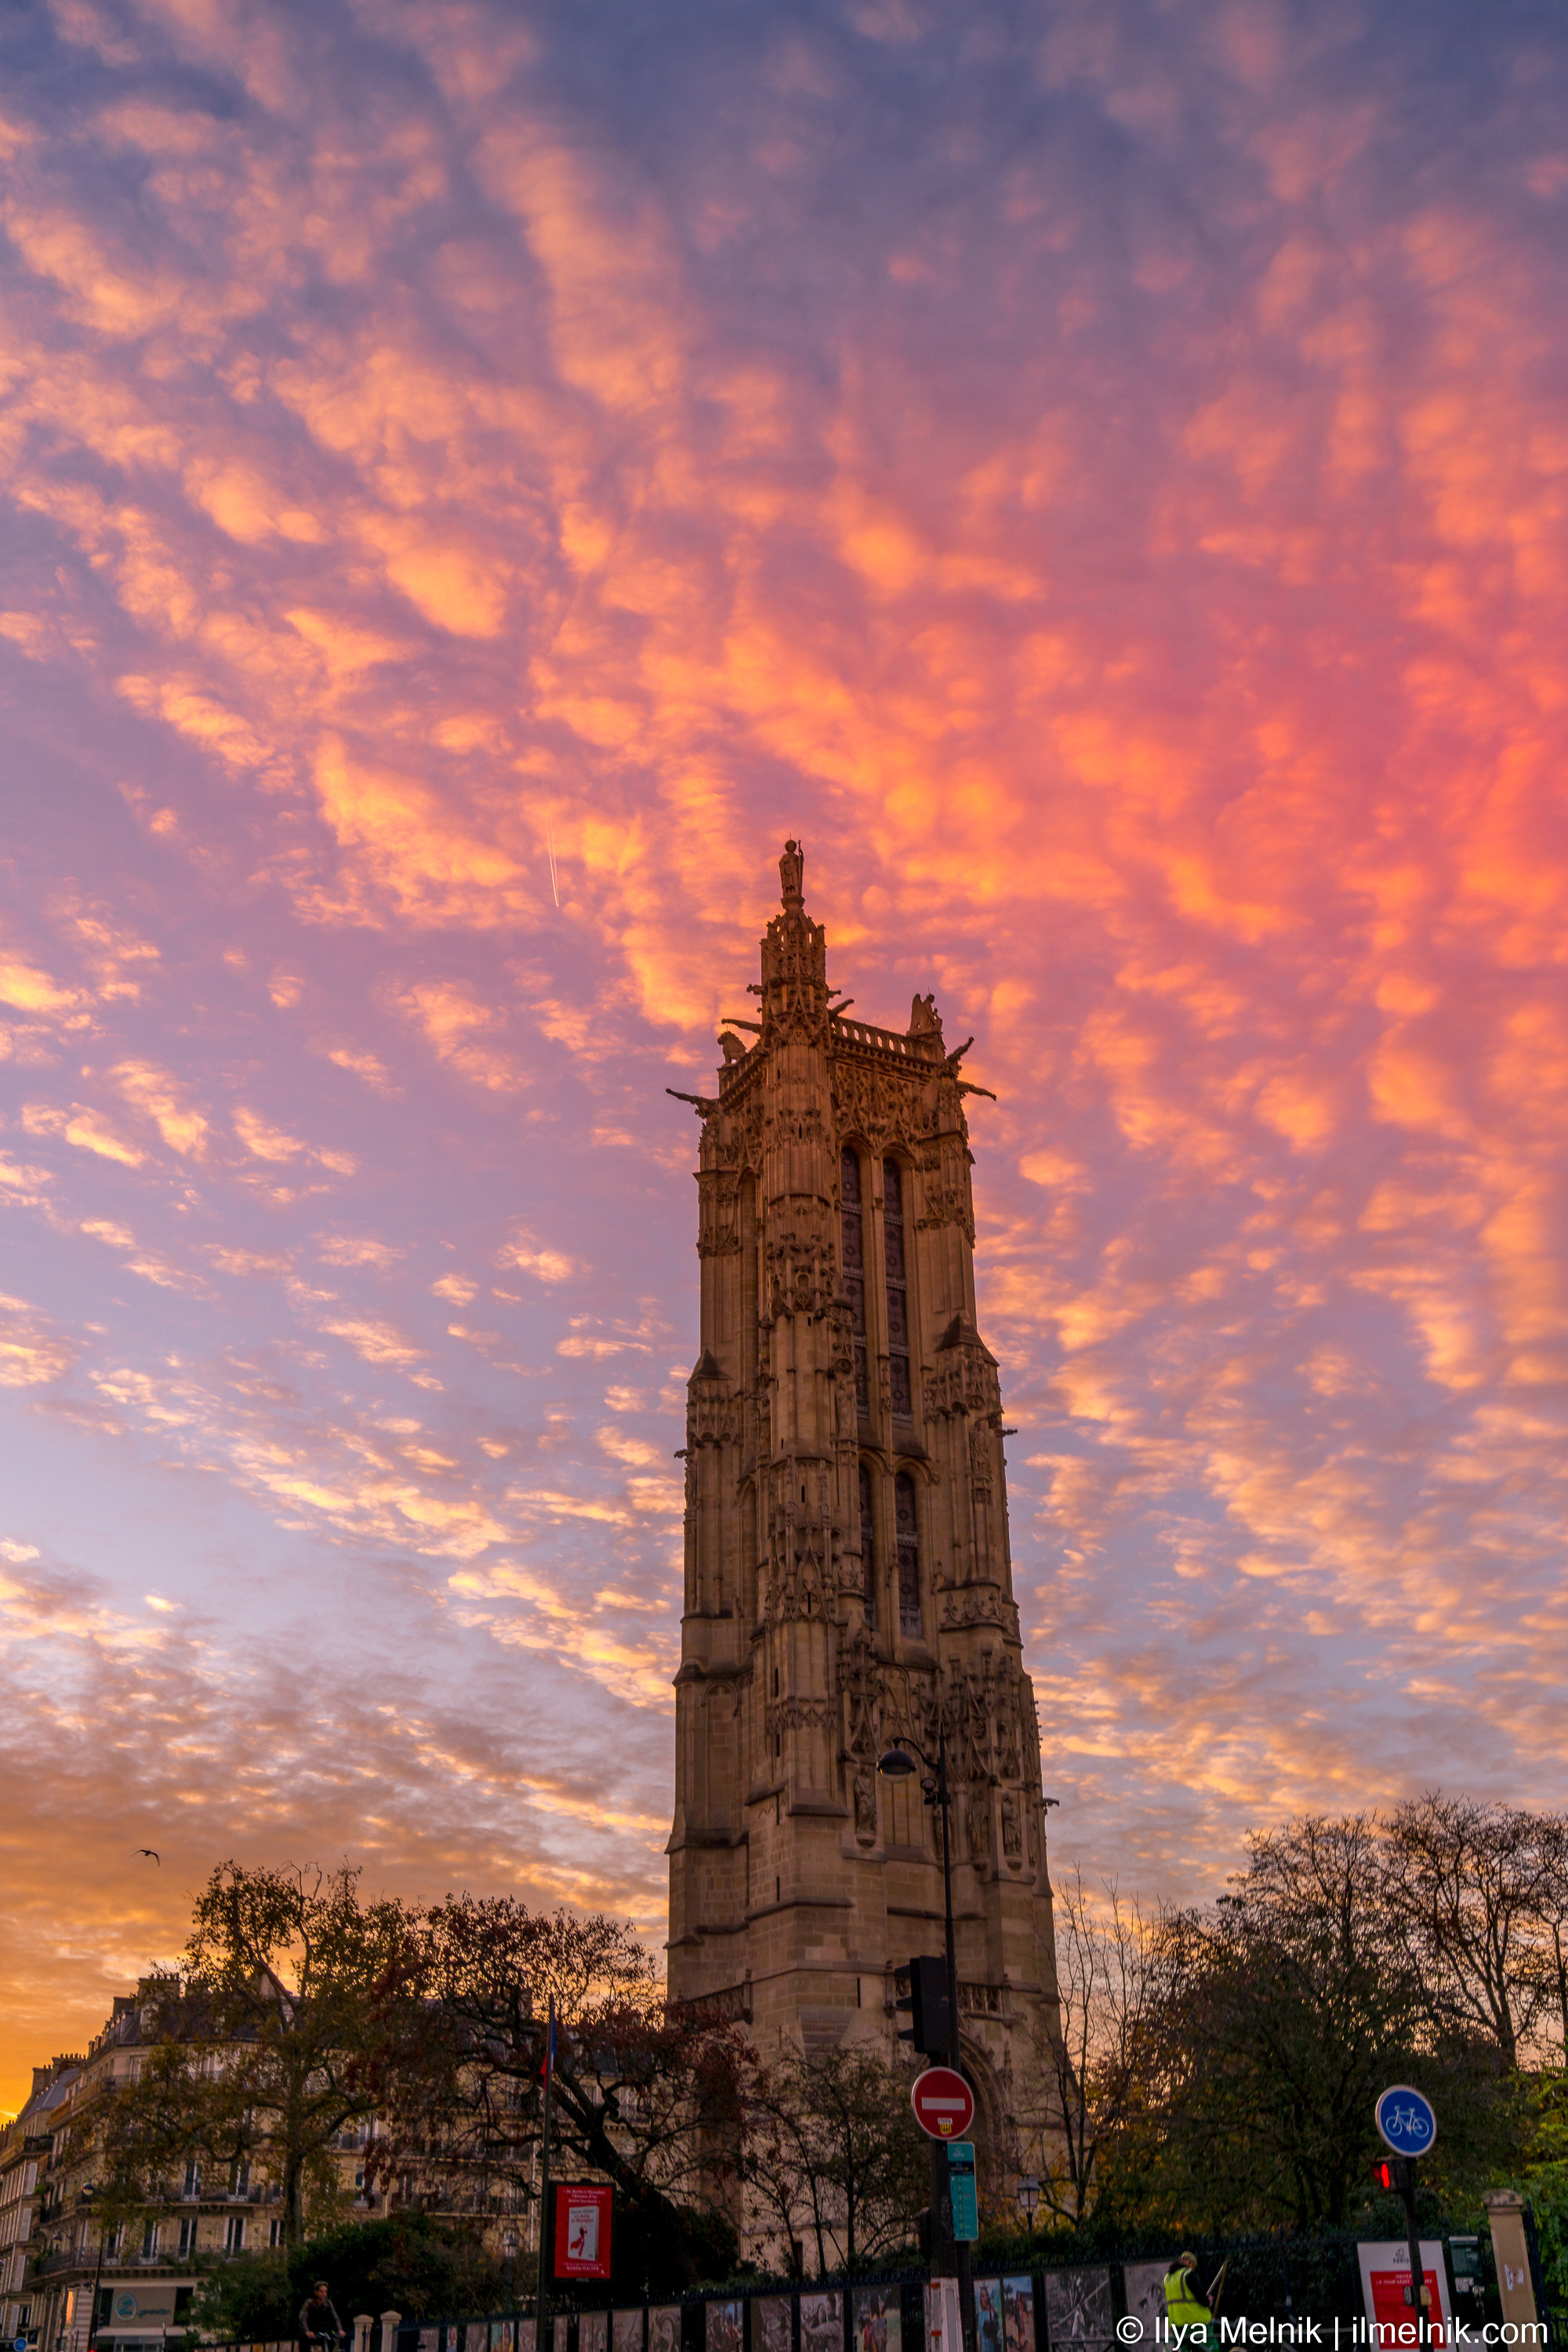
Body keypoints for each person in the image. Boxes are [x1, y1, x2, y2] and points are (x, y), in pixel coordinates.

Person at [1162, 2256, 1213, 2346]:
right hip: (1194, 2321)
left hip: (1176, 2324)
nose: (1193, 2268)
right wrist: (1209, 2300)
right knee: (1211, 2348)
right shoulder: (1187, 2275)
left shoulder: (1167, 2279)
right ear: (1189, 2262)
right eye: (1193, 2265)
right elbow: (1202, 2298)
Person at [300, 2281, 346, 2350]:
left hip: (323, 2332)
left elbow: (335, 2317)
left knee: (332, 2341)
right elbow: (303, 2319)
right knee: (305, 2344)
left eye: (325, 2292)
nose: (324, 2294)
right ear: (316, 2292)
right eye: (321, 2292)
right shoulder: (309, 2303)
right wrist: (307, 2331)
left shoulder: (328, 2303)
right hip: (310, 2332)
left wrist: (340, 2329)